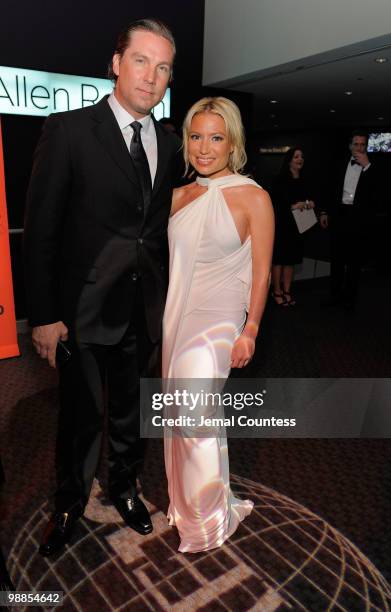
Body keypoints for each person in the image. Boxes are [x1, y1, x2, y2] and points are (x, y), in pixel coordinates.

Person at [23, 19, 182, 557]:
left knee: (131, 413)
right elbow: (41, 231)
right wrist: (43, 315)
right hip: (83, 310)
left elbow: (158, 229)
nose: (152, 76)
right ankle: (69, 502)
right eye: (142, 61)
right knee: (79, 415)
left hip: (144, 308)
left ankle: (124, 488)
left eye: (163, 68)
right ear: (116, 63)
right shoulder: (67, 130)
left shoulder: (170, 141)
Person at [162, 97, 274, 552]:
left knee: (194, 416)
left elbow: (263, 272)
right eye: (195, 136)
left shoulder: (253, 196)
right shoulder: (177, 195)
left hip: (218, 323)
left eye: (215, 138)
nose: (204, 148)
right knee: (184, 415)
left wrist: (250, 329)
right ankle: (190, 505)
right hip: (177, 319)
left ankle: (208, 520)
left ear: (233, 144)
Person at [320, 130, 378, 309]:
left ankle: (350, 299)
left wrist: (368, 167)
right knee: (337, 259)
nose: (360, 148)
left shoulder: (373, 167)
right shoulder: (338, 164)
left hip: (358, 218)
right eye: (357, 144)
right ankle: (334, 296)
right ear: (350, 146)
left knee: (354, 261)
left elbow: (379, 193)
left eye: (363, 145)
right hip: (339, 215)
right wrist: (323, 212)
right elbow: (329, 189)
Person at [271, 147, 315, 306]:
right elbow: (274, 204)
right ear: (289, 160)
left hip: (298, 226)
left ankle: (287, 291)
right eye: (296, 156)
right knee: (279, 261)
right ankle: (276, 291)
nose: (300, 159)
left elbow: (311, 197)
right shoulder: (279, 179)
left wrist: (310, 203)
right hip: (282, 225)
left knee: (290, 261)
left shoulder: (305, 179)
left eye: (301, 156)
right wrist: (292, 206)